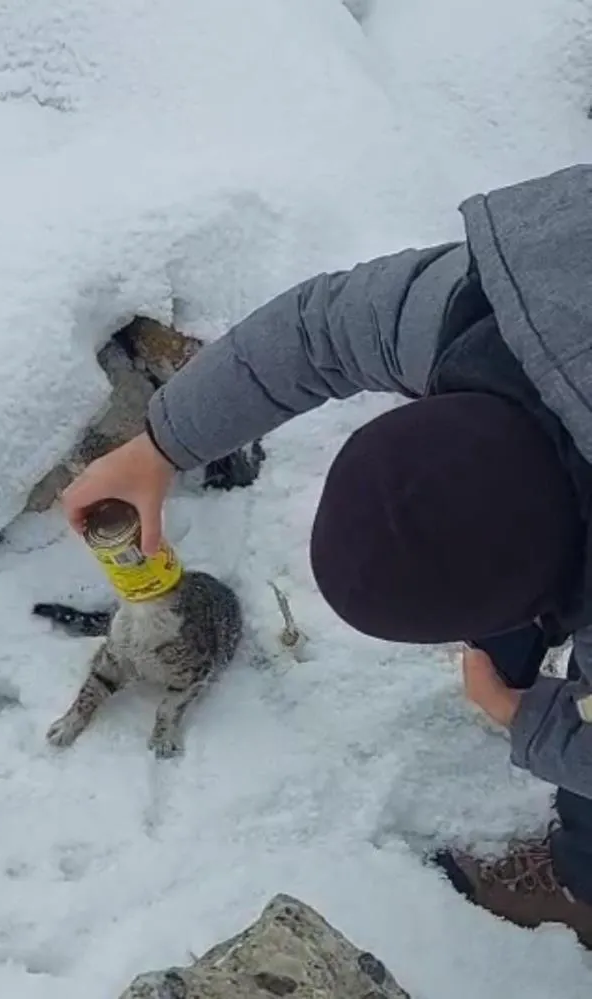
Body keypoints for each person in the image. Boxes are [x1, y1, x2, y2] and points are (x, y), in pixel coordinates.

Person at [60, 163, 592, 948]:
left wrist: (534, 722)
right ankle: (508, 656)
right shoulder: (501, 315)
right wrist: (162, 442)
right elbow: (320, 330)